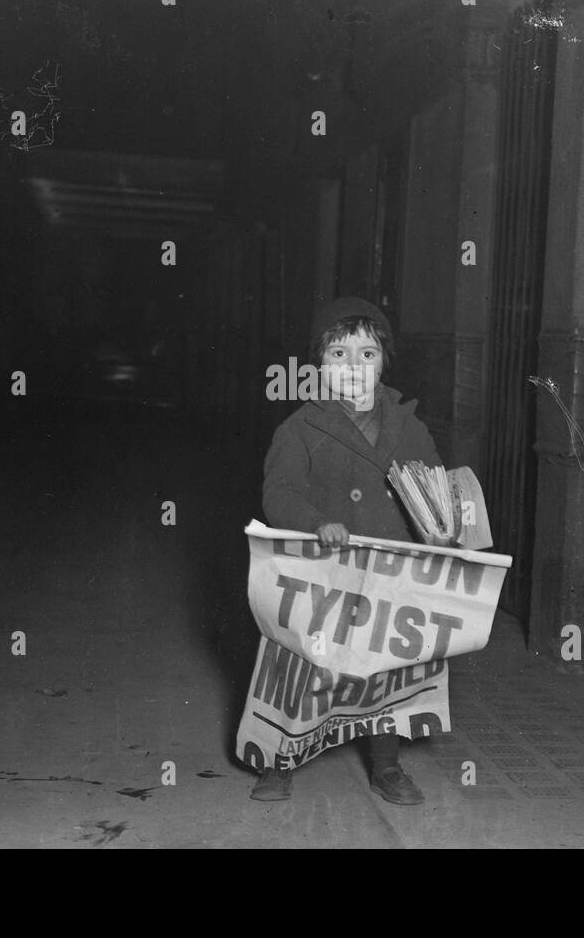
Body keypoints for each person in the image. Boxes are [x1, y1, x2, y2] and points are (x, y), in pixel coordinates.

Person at [253, 297, 448, 805]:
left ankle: (386, 765)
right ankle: (278, 760)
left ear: (384, 362)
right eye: (338, 354)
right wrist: (317, 523)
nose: (353, 367)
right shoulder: (298, 428)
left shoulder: (411, 427)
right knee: (300, 663)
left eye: (367, 354)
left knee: (381, 667)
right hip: (320, 569)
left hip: (385, 571)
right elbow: (279, 493)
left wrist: (443, 528)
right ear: (318, 365)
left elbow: (434, 488)